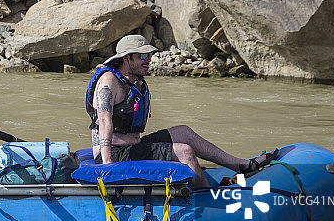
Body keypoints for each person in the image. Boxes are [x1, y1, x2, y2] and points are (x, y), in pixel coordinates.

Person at [85, 34, 278, 188]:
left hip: (133, 146)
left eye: (149, 56)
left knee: (183, 132)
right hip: (114, 153)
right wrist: (109, 165)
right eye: (142, 56)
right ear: (127, 58)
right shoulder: (109, 81)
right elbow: (104, 121)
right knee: (184, 151)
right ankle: (208, 201)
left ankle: (241, 165)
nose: (149, 60)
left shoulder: (134, 80)